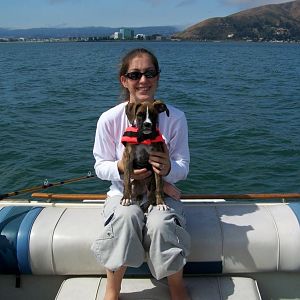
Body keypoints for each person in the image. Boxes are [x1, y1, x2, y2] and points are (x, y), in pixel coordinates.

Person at [92, 48, 191, 300]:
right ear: (124, 80)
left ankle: (176, 287)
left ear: (158, 77)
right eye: (135, 74)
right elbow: (100, 165)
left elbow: (183, 167)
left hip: (160, 190)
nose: (143, 80)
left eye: (150, 73)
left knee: (160, 223)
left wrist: (168, 168)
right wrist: (121, 168)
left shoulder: (175, 117)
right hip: (124, 191)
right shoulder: (109, 119)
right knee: (126, 216)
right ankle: (113, 289)